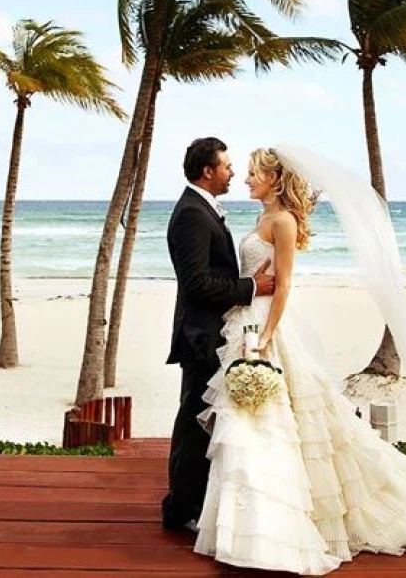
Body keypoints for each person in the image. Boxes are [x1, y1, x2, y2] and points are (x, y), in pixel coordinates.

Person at [193, 147, 406, 574]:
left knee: (275, 424)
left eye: (253, 173)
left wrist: (267, 337)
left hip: (266, 330)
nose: (246, 179)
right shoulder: (260, 219)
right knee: (249, 427)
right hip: (245, 324)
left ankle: (274, 525)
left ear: (275, 179)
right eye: (246, 172)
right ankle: (242, 528)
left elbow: (285, 286)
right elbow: (258, 277)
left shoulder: (284, 222)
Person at [162, 137, 276, 532]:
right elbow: (196, 284)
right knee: (195, 425)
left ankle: (192, 503)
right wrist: (250, 288)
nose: (232, 173)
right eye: (226, 166)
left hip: (211, 331)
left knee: (202, 421)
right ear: (207, 171)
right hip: (200, 335)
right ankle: (182, 510)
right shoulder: (193, 213)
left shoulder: (201, 208)